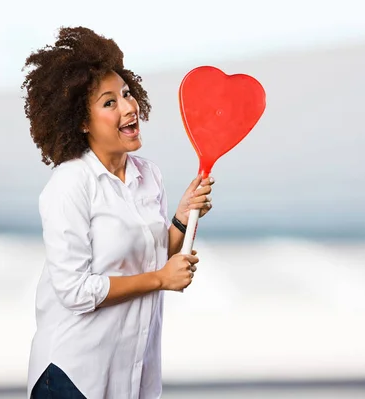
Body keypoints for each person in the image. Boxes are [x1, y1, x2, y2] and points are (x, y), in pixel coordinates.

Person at [21, 26, 214, 399]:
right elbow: (74, 291)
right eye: (109, 102)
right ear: (81, 120)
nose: (128, 107)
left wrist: (182, 217)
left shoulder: (149, 175)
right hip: (73, 376)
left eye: (126, 94)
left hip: (131, 374)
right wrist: (160, 279)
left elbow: (155, 257)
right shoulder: (71, 184)